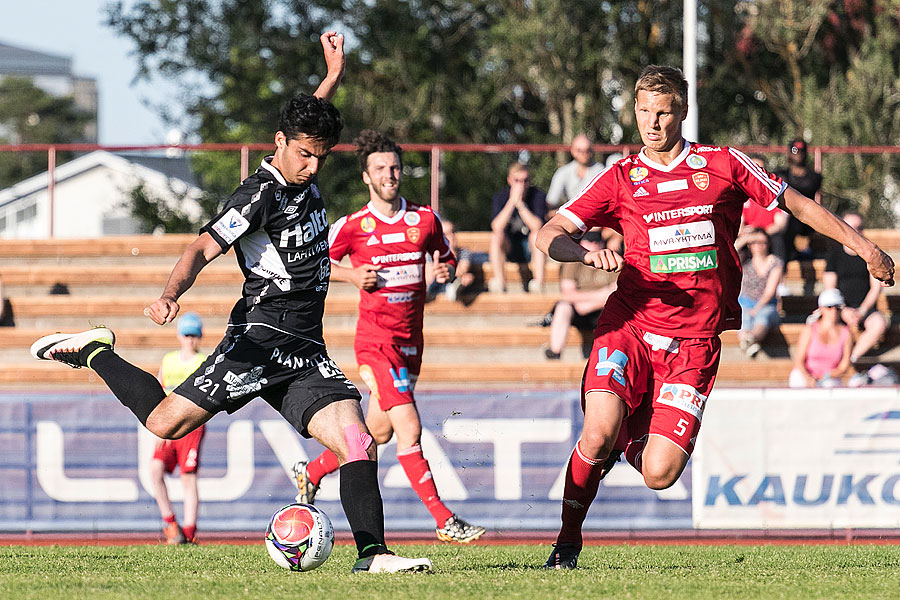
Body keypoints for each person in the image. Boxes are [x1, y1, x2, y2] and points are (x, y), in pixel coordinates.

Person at [29, 33, 432, 574]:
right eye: (305, 154)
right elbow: (201, 245)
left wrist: (331, 75)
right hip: (258, 341)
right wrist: (170, 294)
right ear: (280, 142)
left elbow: (311, 119)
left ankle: (373, 556)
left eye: (321, 156)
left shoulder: (304, 159)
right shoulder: (258, 194)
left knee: (358, 440)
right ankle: (97, 350)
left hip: (306, 349)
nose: (313, 166)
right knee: (164, 422)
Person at [535, 65, 894, 570]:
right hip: (632, 327)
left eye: (663, 112)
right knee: (597, 431)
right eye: (643, 112)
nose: (652, 123)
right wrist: (582, 250)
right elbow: (547, 233)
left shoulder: (723, 164)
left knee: (659, 473)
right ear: (633, 112)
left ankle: (629, 441)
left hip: (695, 343)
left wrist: (864, 247)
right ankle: (566, 544)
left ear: (682, 112)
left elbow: (798, 206)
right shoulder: (620, 177)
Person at [292, 130, 485, 544]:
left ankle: (310, 473)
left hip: (411, 343)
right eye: (380, 168)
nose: (389, 174)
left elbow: (448, 256)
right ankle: (443, 519)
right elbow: (313, 260)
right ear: (366, 177)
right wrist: (349, 274)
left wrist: (445, 271)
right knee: (409, 428)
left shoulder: (424, 219)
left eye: (394, 167)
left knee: (376, 433)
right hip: (375, 344)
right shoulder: (355, 225)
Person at [150, 312, 207, 545]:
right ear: (179, 335)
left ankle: (190, 531)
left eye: (195, 335)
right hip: (169, 423)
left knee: (188, 477)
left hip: (192, 425)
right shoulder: (169, 360)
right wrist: (157, 427)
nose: (190, 339)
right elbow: (159, 391)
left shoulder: (203, 362)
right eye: (187, 334)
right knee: (155, 470)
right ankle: (170, 524)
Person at [543, 230, 620, 360]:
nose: (593, 245)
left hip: (600, 310)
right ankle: (555, 351)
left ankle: (613, 354)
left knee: (615, 308)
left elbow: (615, 294)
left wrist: (587, 305)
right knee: (563, 307)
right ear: (582, 243)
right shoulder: (573, 262)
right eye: (590, 242)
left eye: (596, 242)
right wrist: (601, 294)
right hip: (579, 309)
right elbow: (567, 294)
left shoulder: (610, 261)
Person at [823, 212, 888, 364]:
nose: (855, 231)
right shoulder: (834, 255)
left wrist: (861, 311)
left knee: (879, 324)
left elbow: (876, 288)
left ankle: (850, 359)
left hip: (865, 309)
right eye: (850, 227)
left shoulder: (871, 254)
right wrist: (843, 310)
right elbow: (830, 288)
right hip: (839, 308)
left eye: (859, 228)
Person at [489, 162, 548, 293]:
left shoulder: (538, 196)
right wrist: (511, 202)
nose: (521, 185)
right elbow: (496, 227)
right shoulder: (500, 197)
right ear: (509, 180)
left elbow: (537, 226)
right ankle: (500, 283)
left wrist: (520, 205)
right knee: (496, 236)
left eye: (525, 180)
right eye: (517, 180)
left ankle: (538, 283)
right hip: (510, 247)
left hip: (531, 247)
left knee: (536, 235)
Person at [734, 228, 783, 358]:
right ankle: (750, 344)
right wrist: (747, 238)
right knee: (743, 317)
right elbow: (732, 250)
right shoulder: (745, 260)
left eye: (763, 242)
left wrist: (756, 308)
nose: (759, 246)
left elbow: (770, 292)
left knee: (763, 316)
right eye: (755, 242)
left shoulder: (775, 262)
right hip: (745, 302)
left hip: (766, 304)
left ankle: (749, 340)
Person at [788, 289, 852, 388]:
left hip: (830, 378)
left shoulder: (846, 333)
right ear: (821, 308)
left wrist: (826, 376)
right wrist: (808, 377)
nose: (834, 311)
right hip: (806, 374)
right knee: (798, 379)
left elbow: (844, 365)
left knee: (829, 385)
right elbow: (799, 360)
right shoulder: (810, 330)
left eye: (837, 307)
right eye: (829, 307)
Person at [775, 139, 823, 261]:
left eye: (801, 151)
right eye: (795, 151)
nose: (798, 155)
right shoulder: (780, 173)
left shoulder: (814, 177)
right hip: (785, 218)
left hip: (806, 219)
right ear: (789, 153)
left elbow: (806, 189)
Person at [741, 155, 789, 262]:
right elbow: (739, 226)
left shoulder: (774, 194)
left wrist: (761, 234)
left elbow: (780, 224)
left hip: (768, 237)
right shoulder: (741, 196)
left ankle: (779, 272)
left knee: (778, 239)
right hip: (749, 238)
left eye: (759, 169)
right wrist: (751, 235)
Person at [546, 134, 605, 209]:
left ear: (592, 151)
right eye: (580, 150)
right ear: (572, 151)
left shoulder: (600, 171)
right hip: (572, 216)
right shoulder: (563, 172)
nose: (584, 154)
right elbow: (551, 201)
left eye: (587, 150)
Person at [426, 219, 475, 302]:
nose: (451, 236)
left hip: (455, 281)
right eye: (445, 234)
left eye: (452, 232)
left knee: (467, 278)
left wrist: (451, 251)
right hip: (436, 286)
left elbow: (461, 271)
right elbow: (430, 278)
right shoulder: (431, 253)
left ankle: (452, 289)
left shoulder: (464, 252)